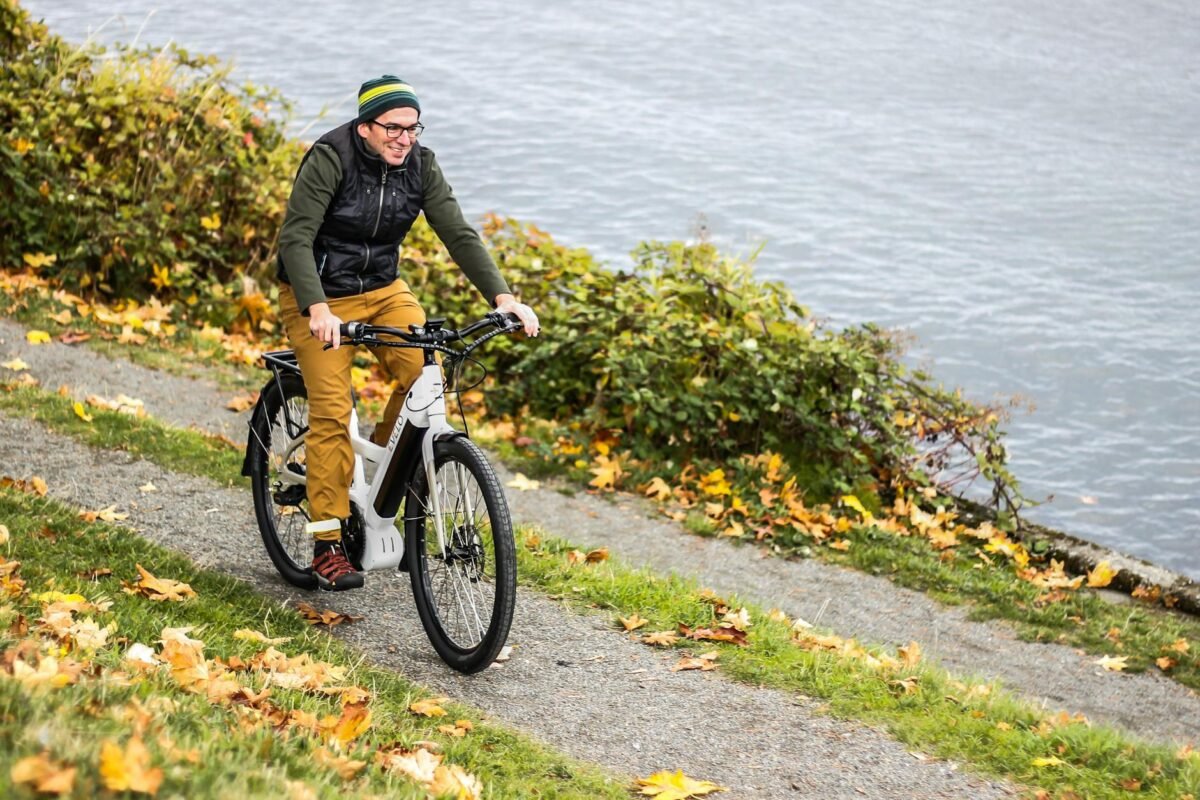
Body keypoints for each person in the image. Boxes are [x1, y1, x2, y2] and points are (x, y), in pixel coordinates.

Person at [275, 75, 538, 591]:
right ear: (366, 127)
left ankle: (377, 471)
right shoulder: (331, 158)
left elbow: (457, 232)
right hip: (320, 294)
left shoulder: (420, 164)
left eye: (413, 128)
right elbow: (296, 237)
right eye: (393, 128)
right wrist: (316, 308)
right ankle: (328, 541)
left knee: (427, 376)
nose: (405, 138)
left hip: (383, 288)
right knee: (330, 407)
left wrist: (504, 297)